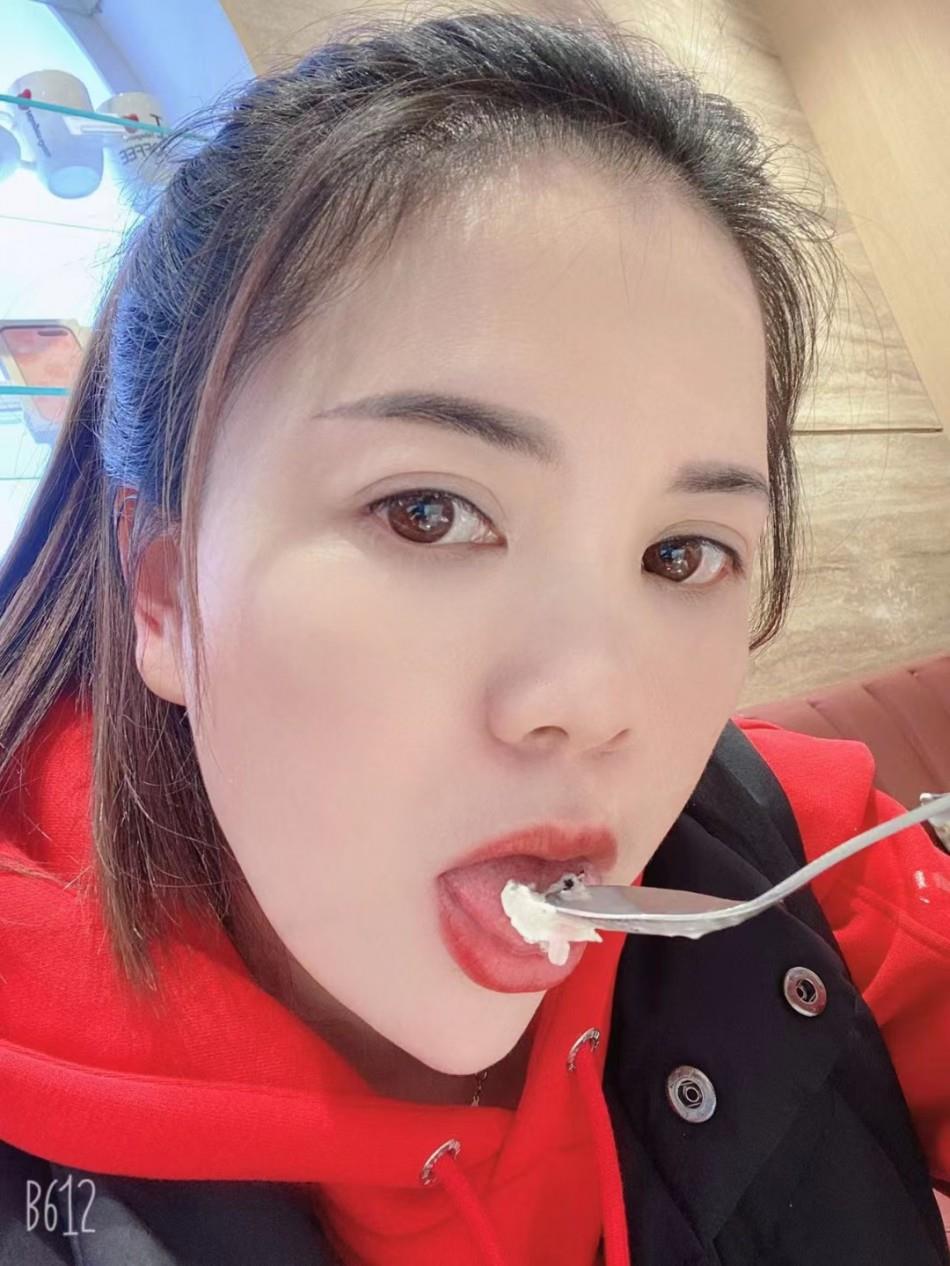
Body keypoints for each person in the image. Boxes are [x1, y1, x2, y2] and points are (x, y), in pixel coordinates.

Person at [0, 8, 946, 1265]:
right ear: (165, 593)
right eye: (427, 513)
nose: (596, 702)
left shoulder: (782, 853)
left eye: (680, 554)